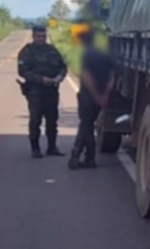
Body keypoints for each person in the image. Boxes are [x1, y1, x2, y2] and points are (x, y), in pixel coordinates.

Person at [17, 25, 68, 158]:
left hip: (51, 91)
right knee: (35, 120)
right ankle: (35, 148)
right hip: (35, 91)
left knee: (52, 120)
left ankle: (52, 147)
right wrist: (40, 79)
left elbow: (63, 67)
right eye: (38, 36)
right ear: (33, 36)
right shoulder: (27, 51)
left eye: (43, 36)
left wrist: (59, 77)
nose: (41, 39)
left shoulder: (52, 50)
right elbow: (22, 71)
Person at [68, 29, 115, 170]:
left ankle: (80, 153)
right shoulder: (105, 55)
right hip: (102, 95)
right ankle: (87, 157)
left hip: (88, 96)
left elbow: (86, 77)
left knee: (86, 124)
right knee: (88, 124)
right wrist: (105, 95)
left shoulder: (86, 55)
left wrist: (96, 95)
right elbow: (112, 77)